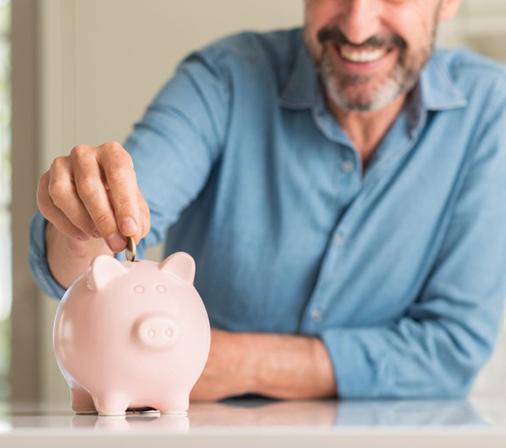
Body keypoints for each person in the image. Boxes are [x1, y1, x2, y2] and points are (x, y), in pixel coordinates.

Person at [29, 0, 506, 400]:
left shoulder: (491, 109)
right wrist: (81, 223)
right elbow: (99, 254)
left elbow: (450, 351)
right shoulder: (224, 79)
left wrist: (232, 362)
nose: (358, 26)